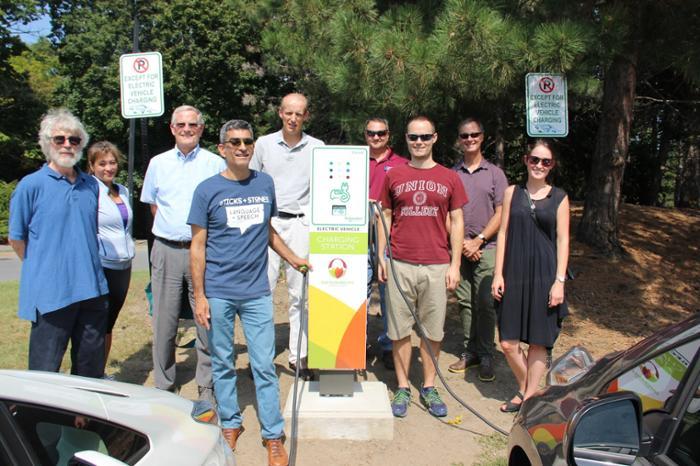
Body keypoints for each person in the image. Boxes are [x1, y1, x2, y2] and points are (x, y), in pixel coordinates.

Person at [189, 119, 309, 466]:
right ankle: (230, 424)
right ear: (222, 148)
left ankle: (273, 435)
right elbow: (198, 247)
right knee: (223, 363)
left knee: (263, 365)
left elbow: (268, 231)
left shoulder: (264, 183)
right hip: (219, 292)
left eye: (247, 142)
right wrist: (200, 296)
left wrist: (294, 259)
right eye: (234, 142)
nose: (242, 147)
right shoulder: (207, 190)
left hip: (257, 291)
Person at [377, 116, 468, 418]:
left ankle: (429, 387)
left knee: (432, 331)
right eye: (413, 138)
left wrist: (455, 264)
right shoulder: (394, 175)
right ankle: (402, 386)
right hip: (400, 262)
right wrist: (381, 256)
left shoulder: (449, 177)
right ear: (406, 139)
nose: (419, 142)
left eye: (424, 137)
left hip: (436, 264)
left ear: (435, 138)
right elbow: (385, 216)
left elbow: (456, 221)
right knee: (399, 330)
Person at [9, 108, 109, 378]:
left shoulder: (91, 185)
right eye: (60, 139)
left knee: (90, 371)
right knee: (45, 374)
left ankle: (85, 420)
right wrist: (46, 268)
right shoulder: (30, 186)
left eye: (74, 140)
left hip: (92, 290)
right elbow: (17, 239)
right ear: (46, 143)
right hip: (51, 295)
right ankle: (40, 421)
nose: (67, 145)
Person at [140, 105, 226, 398]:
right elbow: (154, 206)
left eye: (192, 125)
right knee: (164, 320)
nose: (187, 129)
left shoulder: (215, 164)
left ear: (201, 128)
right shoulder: (158, 163)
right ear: (172, 128)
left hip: (203, 251)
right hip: (166, 249)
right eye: (181, 125)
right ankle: (164, 384)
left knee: (205, 318)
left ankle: (206, 384)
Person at [491, 139, 570, 413]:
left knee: (538, 340)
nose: (539, 165)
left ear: (552, 165)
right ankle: (531, 390)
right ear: (526, 160)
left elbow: (562, 240)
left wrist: (559, 282)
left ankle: (526, 397)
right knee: (508, 342)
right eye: (535, 159)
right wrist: (498, 273)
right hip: (514, 272)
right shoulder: (512, 192)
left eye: (545, 161)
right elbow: (502, 234)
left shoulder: (559, 197)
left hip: (545, 275)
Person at [249, 93, 324, 379]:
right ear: (280, 113)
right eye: (288, 113)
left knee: (301, 294)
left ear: (306, 116)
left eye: (299, 113)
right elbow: (249, 182)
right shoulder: (264, 145)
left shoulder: (317, 147)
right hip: (267, 225)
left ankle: (299, 355)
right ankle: (262, 358)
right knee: (261, 292)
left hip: (301, 225)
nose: (293, 118)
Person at [450, 118, 508, 382]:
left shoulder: (495, 173)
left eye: (474, 134)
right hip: (460, 249)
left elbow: (501, 212)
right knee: (464, 301)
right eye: (465, 135)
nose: (469, 139)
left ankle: (486, 354)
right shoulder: (453, 174)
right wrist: (462, 244)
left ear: (482, 137)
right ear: (459, 139)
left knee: (485, 302)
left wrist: (480, 240)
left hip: (488, 247)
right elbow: (449, 214)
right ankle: (469, 351)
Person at [88, 141, 135, 373]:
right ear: (92, 165)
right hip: (102, 267)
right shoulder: (89, 191)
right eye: (102, 163)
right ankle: (89, 375)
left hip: (123, 267)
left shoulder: (122, 190)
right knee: (96, 324)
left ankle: (100, 372)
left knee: (109, 324)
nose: (108, 168)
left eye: (112, 162)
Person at [365, 117, 408, 370]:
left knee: (388, 294)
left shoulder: (401, 164)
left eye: (381, 133)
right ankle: (356, 344)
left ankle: (389, 346)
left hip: (388, 235)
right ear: (365, 134)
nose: (376, 137)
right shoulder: (356, 159)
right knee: (358, 291)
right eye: (371, 133)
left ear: (388, 134)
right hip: (357, 235)